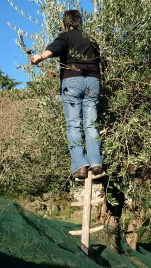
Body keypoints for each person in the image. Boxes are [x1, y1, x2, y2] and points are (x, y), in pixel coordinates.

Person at [30, 10, 103, 180]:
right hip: (92, 82)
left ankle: (80, 166)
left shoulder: (66, 36)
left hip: (72, 82)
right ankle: (96, 162)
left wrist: (40, 57)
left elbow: (54, 49)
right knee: (91, 124)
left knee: (73, 125)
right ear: (80, 21)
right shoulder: (92, 40)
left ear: (66, 23)